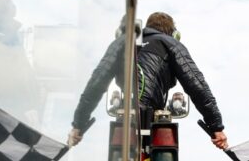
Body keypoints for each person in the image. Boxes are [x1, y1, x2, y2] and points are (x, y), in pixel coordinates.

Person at [69, 12, 228, 150]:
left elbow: (96, 82)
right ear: (174, 34)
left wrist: (78, 125)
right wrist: (216, 127)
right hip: (154, 116)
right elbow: (196, 84)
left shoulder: (122, 42)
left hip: (126, 116)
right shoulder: (171, 43)